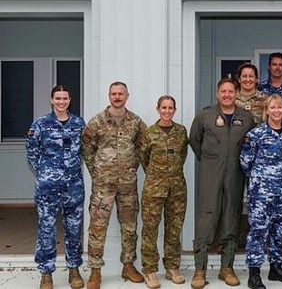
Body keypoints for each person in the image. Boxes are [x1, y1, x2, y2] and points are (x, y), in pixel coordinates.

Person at [189, 78, 255, 289]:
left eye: (230, 91)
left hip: (235, 174)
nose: (227, 95)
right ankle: (200, 269)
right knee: (206, 217)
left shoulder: (246, 117)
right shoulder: (205, 115)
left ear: (236, 93)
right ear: (217, 93)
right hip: (211, 173)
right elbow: (194, 140)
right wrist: (210, 160)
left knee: (231, 215)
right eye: (223, 91)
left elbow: (250, 144)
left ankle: (227, 267)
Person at [82, 81, 148, 289]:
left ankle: (128, 265)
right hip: (103, 186)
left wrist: (132, 165)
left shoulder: (136, 122)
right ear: (109, 96)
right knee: (97, 227)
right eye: (114, 93)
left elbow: (143, 146)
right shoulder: (97, 121)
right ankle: (95, 271)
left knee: (129, 227)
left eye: (121, 94)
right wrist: (98, 172)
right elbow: (87, 149)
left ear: (127, 96)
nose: (117, 97)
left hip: (128, 184)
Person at [26, 85, 86, 289]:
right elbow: (32, 154)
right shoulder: (41, 124)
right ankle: (46, 272)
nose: (62, 102)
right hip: (48, 188)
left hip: (73, 187)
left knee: (74, 229)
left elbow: (84, 151)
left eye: (65, 98)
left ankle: (74, 270)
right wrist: (46, 173)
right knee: (46, 230)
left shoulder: (79, 123)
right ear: (52, 100)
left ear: (70, 100)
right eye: (58, 98)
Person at [240, 94, 282, 289]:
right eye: (272, 108)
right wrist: (260, 178)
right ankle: (254, 273)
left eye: (280, 108)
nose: (276, 111)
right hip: (262, 193)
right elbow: (245, 161)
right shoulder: (256, 134)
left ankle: (276, 267)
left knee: (280, 230)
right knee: (258, 231)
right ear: (266, 111)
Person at [139, 95, 189, 289]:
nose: (167, 111)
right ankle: (150, 270)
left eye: (170, 108)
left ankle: (172, 267)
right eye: (164, 108)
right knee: (150, 230)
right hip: (154, 189)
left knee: (174, 229)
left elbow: (182, 155)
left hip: (177, 188)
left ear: (174, 110)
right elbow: (144, 158)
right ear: (158, 109)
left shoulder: (181, 132)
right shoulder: (149, 133)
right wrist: (157, 176)